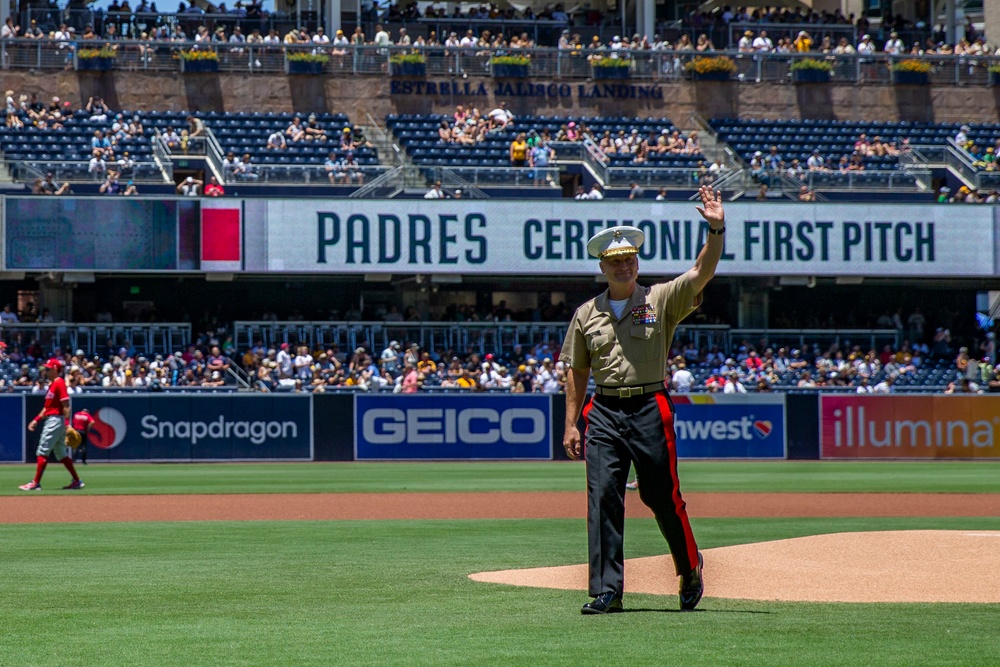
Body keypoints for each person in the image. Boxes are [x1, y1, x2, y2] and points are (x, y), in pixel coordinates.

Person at [561, 183, 724, 614]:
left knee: (661, 496)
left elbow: (701, 273)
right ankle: (607, 590)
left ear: (637, 262)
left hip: (651, 406)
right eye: (614, 261)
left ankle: (689, 567)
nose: (623, 265)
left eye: (629, 259)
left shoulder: (659, 299)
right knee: (602, 498)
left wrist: (716, 230)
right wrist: (571, 423)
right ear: (602, 265)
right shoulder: (585, 314)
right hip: (605, 410)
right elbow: (575, 371)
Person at [20, 359, 84, 490]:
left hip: (56, 420)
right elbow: (46, 408)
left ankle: (36, 483)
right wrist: (36, 419)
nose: (46, 371)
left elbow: (66, 405)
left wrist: (67, 424)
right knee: (61, 453)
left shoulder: (59, 383)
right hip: (53, 418)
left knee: (42, 450)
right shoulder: (52, 384)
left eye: (48, 369)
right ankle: (77, 481)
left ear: (55, 369)